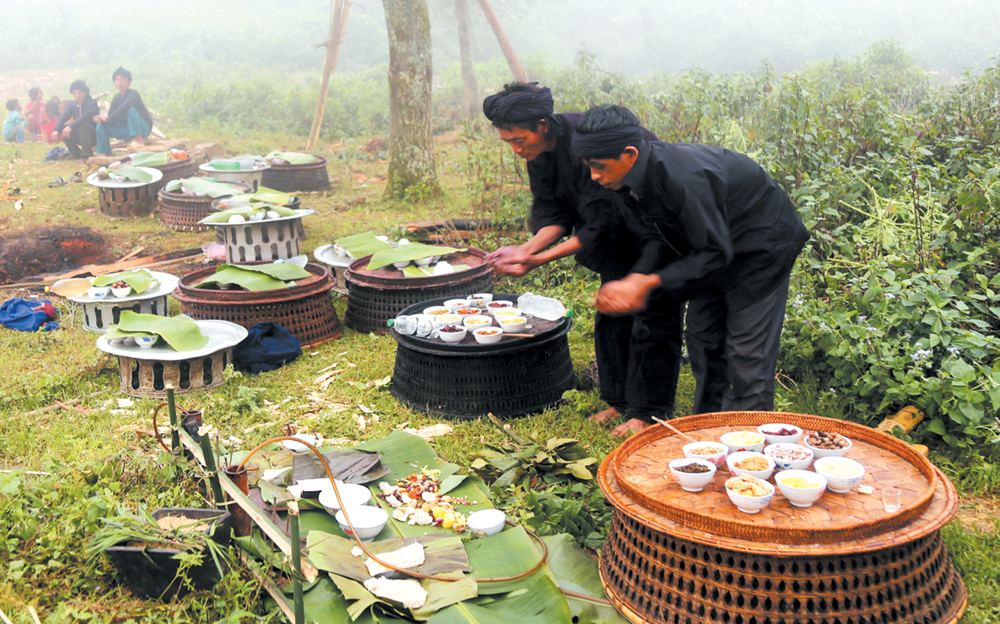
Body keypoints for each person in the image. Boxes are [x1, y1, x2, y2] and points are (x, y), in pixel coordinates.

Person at [572, 105, 810, 419]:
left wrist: (650, 281)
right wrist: (636, 278)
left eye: (599, 166)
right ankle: (707, 425)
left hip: (761, 247)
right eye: (588, 167)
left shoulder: (684, 177)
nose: (595, 176)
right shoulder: (625, 181)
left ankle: (748, 434)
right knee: (703, 338)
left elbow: (716, 251)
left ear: (629, 153)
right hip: (710, 247)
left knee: (746, 350)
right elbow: (654, 236)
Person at [482, 83, 685, 436]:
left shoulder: (588, 142)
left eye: (519, 140)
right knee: (612, 316)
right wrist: (527, 250)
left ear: (542, 124)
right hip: (615, 240)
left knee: (652, 319)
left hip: (654, 230)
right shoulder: (539, 153)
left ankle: (649, 412)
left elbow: (603, 222)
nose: (516, 149)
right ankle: (619, 401)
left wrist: (540, 259)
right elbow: (553, 210)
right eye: (508, 142)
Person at [94, 66, 153, 155]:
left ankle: (138, 139)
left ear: (129, 82)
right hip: (127, 130)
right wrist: (102, 121)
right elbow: (112, 119)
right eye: (117, 80)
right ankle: (107, 154)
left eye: (123, 80)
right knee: (100, 126)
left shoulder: (133, 94)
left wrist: (107, 119)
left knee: (130, 109)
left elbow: (124, 108)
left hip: (142, 128)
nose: (119, 82)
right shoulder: (116, 98)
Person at [53, 80, 99, 159]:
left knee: (83, 126)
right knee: (62, 128)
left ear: (85, 93)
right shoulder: (72, 105)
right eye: (74, 93)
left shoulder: (92, 103)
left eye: (79, 93)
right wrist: (56, 129)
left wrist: (70, 126)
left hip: (93, 135)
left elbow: (84, 117)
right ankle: (75, 152)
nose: (77, 95)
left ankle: (86, 155)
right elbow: (63, 116)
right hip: (80, 135)